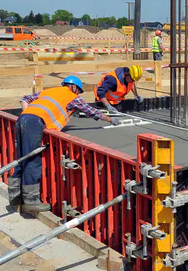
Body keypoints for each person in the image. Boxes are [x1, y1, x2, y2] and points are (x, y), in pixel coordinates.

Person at [9, 76, 118, 212]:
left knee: (22, 158)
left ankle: (15, 196)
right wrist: (109, 119)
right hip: (35, 122)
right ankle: (31, 201)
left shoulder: (49, 91)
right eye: (78, 91)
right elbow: (91, 112)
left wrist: (26, 113)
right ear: (73, 87)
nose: (78, 94)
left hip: (22, 119)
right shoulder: (72, 96)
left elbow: (24, 99)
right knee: (32, 160)